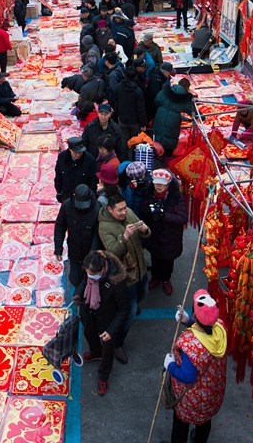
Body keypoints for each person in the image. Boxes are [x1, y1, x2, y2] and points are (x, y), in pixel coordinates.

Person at [167, 293, 228, 443]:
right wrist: (189, 321)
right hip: (212, 393)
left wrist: (170, 365)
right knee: (204, 423)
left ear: (195, 313)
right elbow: (206, 329)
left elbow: (188, 376)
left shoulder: (191, 346)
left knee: (180, 425)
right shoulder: (220, 327)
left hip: (192, 399)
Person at [98, 188, 150, 360]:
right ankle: (117, 342)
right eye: (120, 210)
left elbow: (147, 234)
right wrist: (125, 237)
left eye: (125, 208)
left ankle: (133, 309)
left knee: (144, 291)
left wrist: (144, 230)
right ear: (110, 210)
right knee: (128, 310)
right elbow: (112, 251)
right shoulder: (104, 226)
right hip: (126, 276)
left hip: (140, 267)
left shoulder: (129, 214)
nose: (124, 212)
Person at [79, 250, 131, 396]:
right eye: (88, 272)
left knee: (108, 351)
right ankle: (96, 352)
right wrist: (78, 294)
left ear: (102, 270)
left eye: (92, 274)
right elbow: (84, 282)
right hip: (90, 313)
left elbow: (123, 310)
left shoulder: (115, 281)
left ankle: (103, 376)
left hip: (107, 320)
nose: (90, 276)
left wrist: (111, 330)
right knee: (89, 334)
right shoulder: (91, 270)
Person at [137, 169, 187, 294]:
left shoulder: (177, 198)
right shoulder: (149, 194)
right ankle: (155, 278)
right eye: (156, 183)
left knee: (168, 261)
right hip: (154, 235)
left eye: (162, 184)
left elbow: (182, 218)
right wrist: (147, 211)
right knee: (155, 258)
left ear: (168, 184)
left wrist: (164, 215)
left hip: (170, 237)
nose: (158, 186)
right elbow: (142, 208)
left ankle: (166, 279)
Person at [55, 183, 101, 291]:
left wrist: (92, 254)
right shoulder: (67, 206)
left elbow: (97, 235)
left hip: (90, 251)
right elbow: (60, 226)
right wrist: (58, 248)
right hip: (74, 251)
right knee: (76, 279)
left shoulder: (97, 209)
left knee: (92, 281)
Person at [153, 78, 195, 156]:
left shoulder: (165, 91)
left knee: (158, 134)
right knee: (170, 137)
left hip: (160, 114)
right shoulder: (185, 99)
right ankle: (167, 157)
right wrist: (202, 116)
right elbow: (192, 111)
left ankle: (156, 154)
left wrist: (161, 109)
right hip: (173, 119)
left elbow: (156, 100)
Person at [55, 136, 98, 203]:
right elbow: (58, 176)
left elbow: (93, 181)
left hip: (83, 196)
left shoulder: (90, 160)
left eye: (80, 152)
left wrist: (91, 196)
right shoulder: (62, 157)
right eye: (75, 152)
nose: (78, 155)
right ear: (70, 149)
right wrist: (59, 192)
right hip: (67, 194)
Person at [113, 59, 148, 141]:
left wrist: (118, 114)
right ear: (135, 76)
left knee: (124, 139)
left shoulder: (118, 87)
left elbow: (115, 101)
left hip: (123, 119)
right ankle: (132, 153)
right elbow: (140, 108)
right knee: (135, 140)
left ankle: (125, 153)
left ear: (125, 74)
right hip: (134, 121)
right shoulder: (138, 91)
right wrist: (143, 123)